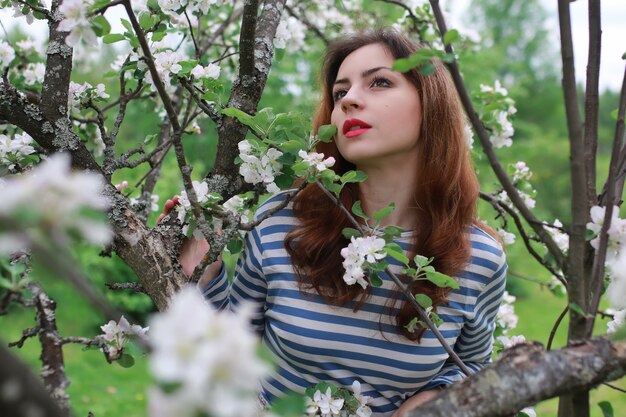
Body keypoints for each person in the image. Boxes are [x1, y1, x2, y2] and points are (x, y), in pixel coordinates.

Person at [159, 29, 507, 417]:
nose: (350, 100)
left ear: (431, 103)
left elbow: (471, 367)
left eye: (379, 82)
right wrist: (201, 269)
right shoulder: (281, 224)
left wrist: (424, 406)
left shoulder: (478, 259)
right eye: (340, 93)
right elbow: (233, 346)